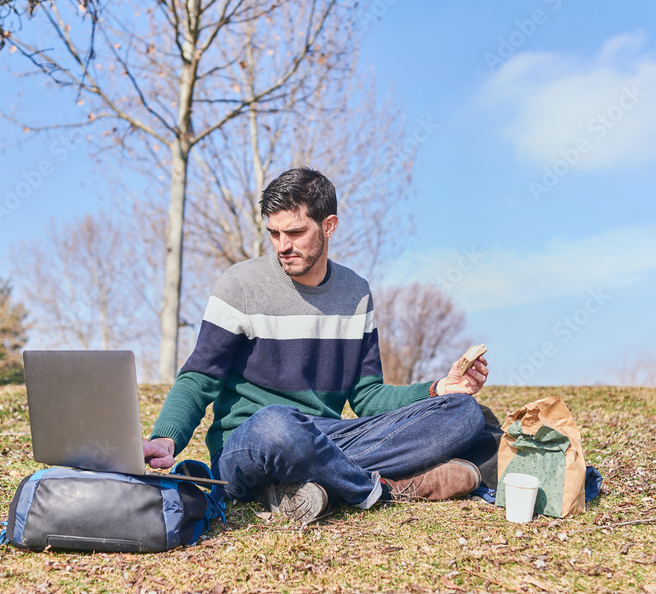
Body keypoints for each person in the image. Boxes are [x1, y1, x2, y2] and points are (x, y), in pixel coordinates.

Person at [144, 167, 496, 524]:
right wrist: (166, 438)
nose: (283, 245)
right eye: (274, 233)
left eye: (295, 232)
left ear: (329, 226)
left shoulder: (355, 293)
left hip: (324, 438)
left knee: (465, 413)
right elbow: (199, 376)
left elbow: (367, 397)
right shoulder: (240, 285)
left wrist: (438, 389)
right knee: (277, 425)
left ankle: (304, 487)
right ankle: (372, 490)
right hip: (251, 441)